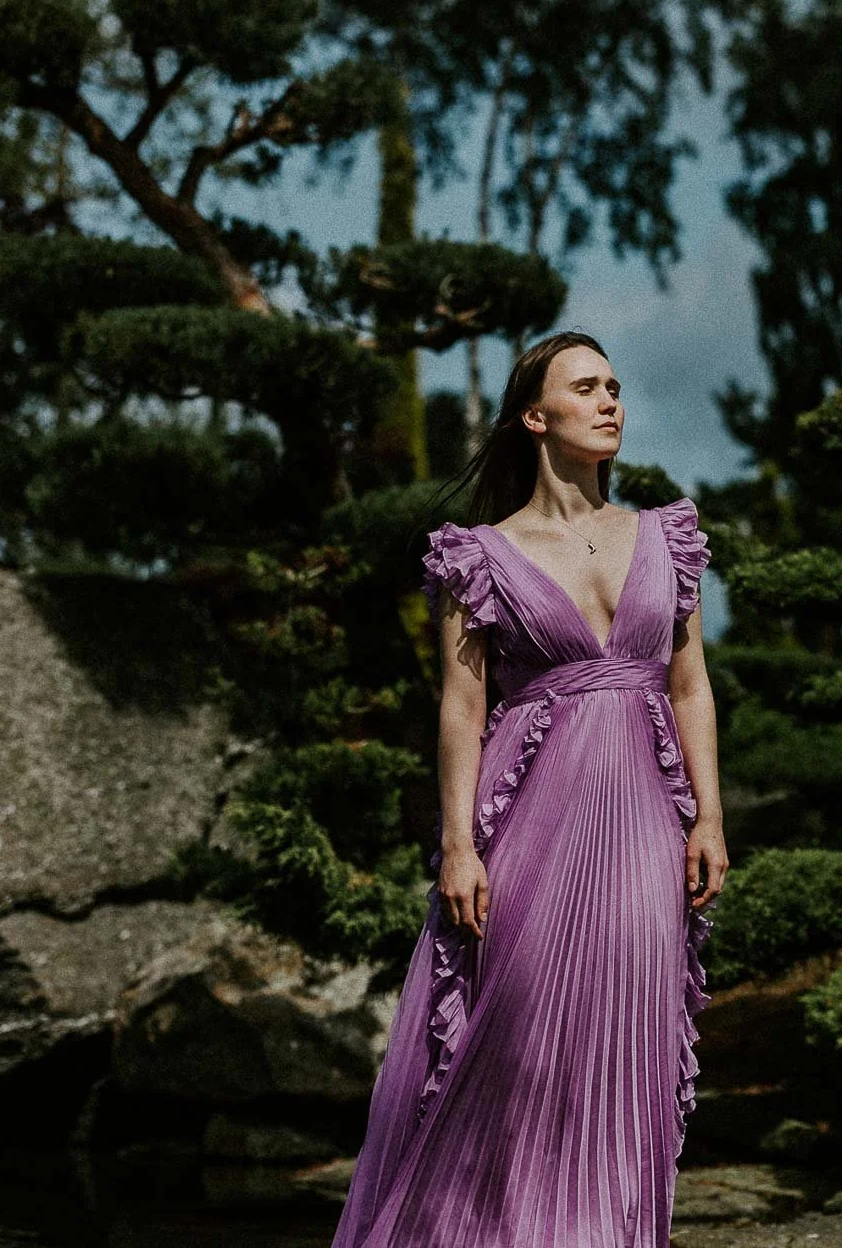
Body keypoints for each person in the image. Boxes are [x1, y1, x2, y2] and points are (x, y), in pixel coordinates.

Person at [330, 330, 730, 1248]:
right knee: (518, 1051)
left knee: (627, 1042)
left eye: (615, 386)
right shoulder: (479, 555)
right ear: (535, 416)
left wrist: (710, 815)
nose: (610, 400)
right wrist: (459, 845)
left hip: (644, 826)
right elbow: (461, 705)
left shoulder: (666, 536)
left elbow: (690, 685)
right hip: (530, 830)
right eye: (585, 387)